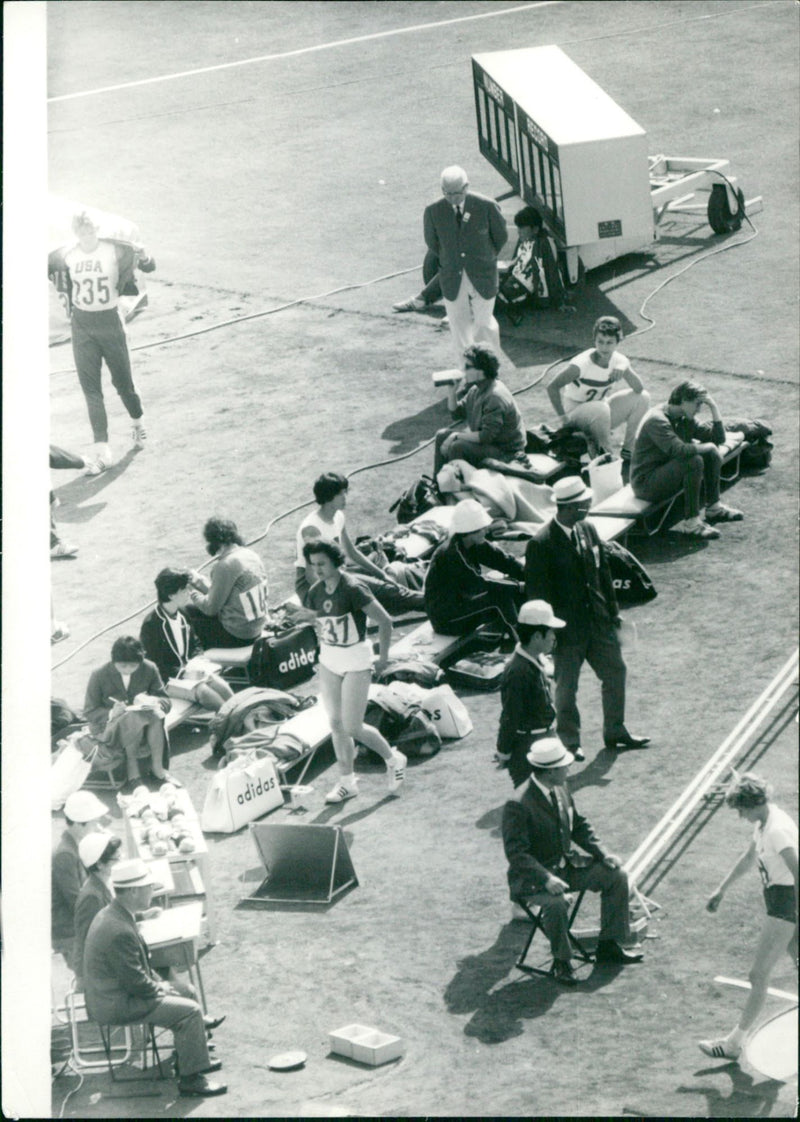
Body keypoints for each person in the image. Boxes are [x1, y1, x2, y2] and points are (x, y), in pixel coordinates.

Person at [502, 737, 644, 985]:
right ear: (550, 771)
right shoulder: (518, 804)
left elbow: (577, 825)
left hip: (566, 868)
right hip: (533, 881)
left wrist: (603, 853)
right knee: (556, 903)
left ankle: (609, 945)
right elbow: (516, 855)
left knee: (616, 876)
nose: (569, 768)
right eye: (564, 766)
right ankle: (562, 961)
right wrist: (546, 879)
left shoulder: (560, 787)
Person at [524, 477, 650, 756]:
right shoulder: (541, 544)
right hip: (566, 633)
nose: (589, 506)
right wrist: (549, 635)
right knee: (567, 689)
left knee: (616, 672)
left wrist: (613, 613)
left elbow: (603, 573)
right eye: (584, 503)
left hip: (598, 623)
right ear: (570, 508)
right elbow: (537, 596)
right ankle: (570, 742)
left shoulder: (588, 529)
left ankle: (615, 730)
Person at [83, 858, 227, 1097]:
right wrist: (159, 988)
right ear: (131, 891)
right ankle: (191, 1080)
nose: (153, 891)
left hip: (118, 994)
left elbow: (134, 970)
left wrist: (161, 986)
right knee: (190, 1011)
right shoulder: (118, 928)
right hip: (116, 1004)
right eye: (148, 887)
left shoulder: (117, 913)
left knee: (187, 990)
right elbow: (136, 982)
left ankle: (190, 1059)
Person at [287, 540, 406, 805]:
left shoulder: (353, 587)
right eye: (313, 564)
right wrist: (307, 616)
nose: (317, 569)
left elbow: (385, 620)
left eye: (322, 564)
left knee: (352, 726)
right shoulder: (317, 590)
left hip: (356, 661)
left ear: (336, 562)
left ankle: (393, 758)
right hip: (330, 660)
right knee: (336, 725)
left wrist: (383, 658)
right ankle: (346, 782)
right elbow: (326, 617)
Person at [699, 773, 798, 1061]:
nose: (740, 816)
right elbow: (748, 858)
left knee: (758, 975)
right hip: (782, 903)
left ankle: (733, 1044)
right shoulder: (764, 823)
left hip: (785, 907)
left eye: (741, 809)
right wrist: (721, 889)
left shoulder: (777, 830)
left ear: (753, 804)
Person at [61, 211, 155, 475]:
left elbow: (149, 266)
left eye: (90, 231)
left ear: (97, 230)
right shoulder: (67, 254)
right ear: (75, 233)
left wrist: (145, 255)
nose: (86, 236)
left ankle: (138, 424)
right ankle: (102, 452)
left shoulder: (113, 250)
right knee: (91, 389)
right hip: (82, 325)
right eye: (81, 232)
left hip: (110, 321)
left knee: (123, 383)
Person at [294, 473, 425, 616]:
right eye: (341, 494)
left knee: (386, 580)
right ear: (328, 497)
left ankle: (431, 600)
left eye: (345, 493)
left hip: (337, 574)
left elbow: (352, 553)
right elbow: (311, 575)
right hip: (315, 588)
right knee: (387, 591)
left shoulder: (338, 516)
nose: (345, 498)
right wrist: (334, 598)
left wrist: (381, 574)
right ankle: (435, 602)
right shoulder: (312, 529)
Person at [631, 380, 743, 540]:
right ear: (683, 401)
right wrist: (709, 446)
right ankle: (691, 523)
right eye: (697, 404)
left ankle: (714, 508)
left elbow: (718, 438)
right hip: (645, 483)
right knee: (693, 460)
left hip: (665, 473)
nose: (699, 409)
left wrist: (714, 408)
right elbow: (679, 450)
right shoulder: (656, 420)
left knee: (710, 453)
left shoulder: (683, 417)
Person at [546, 316, 650, 482]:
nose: (604, 347)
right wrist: (563, 419)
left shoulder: (619, 360)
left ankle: (628, 450)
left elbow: (639, 389)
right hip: (576, 416)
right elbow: (552, 387)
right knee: (600, 407)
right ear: (594, 340)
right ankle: (605, 459)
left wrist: (625, 368)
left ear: (618, 342)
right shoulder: (581, 364)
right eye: (600, 341)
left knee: (642, 398)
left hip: (600, 414)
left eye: (609, 342)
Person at [423, 165, 507, 362]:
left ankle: (489, 368)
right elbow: (432, 243)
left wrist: (485, 256)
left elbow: (500, 237)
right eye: (447, 193)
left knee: (483, 324)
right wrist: (450, 259)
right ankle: (466, 371)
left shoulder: (487, 206)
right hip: (452, 275)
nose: (453, 198)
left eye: (457, 193)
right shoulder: (433, 211)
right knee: (458, 325)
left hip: (483, 273)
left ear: (466, 187)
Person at [84, 635, 175, 790]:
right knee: (134, 719)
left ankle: (157, 768)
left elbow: (165, 700)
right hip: (107, 726)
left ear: (140, 661)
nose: (128, 670)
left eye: (133, 666)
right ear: (113, 662)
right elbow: (89, 711)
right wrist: (112, 712)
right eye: (122, 666)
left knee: (150, 716)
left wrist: (153, 701)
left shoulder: (149, 668)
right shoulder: (99, 674)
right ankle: (134, 773)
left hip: (143, 720)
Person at [424, 499, 524, 638]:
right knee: (500, 597)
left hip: (462, 605)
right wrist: (519, 586)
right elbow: (479, 584)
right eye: (482, 527)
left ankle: (524, 628)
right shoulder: (451, 554)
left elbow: (504, 561)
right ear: (470, 531)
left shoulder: (473, 543)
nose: (487, 530)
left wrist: (529, 573)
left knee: (510, 584)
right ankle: (522, 641)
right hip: (445, 620)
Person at [140, 569, 234, 711]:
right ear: (171, 595)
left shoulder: (183, 613)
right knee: (203, 691)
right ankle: (231, 720)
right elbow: (155, 665)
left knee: (219, 684)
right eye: (184, 590)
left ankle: (240, 712)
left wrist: (199, 660)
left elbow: (195, 643)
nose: (189, 593)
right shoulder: (151, 625)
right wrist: (184, 673)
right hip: (166, 680)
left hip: (188, 670)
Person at [496, 600, 567, 785]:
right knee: (533, 803)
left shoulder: (536, 659)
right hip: (529, 747)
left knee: (557, 794)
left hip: (546, 736)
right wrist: (503, 752)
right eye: (550, 632)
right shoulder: (518, 672)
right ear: (536, 636)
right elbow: (510, 716)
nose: (554, 636)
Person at [433, 343, 527, 476]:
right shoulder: (476, 389)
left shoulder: (495, 396)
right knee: (442, 435)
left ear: (482, 370)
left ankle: (455, 489)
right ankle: (438, 483)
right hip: (491, 445)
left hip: (506, 452)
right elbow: (457, 413)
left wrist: (455, 436)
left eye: (468, 367)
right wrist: (452, 391)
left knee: (457, 446)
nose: (462, 370)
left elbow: (485, 436)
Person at [184, 517, 269, 648]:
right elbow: (225, 593)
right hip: (257, 627)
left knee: (187, 611)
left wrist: (192, 592)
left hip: (239, 635)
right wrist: (198, 581)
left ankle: (201, 656)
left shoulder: (224, 565)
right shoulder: (249, 554)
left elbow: (210, 608)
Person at [51, 790, 108, 971]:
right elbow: (77, 903)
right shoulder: (65, 855)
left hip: (76, 925)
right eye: (94, 822)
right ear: (79, 824)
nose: (97, 826)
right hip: (70, 933)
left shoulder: (74, 847)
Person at [496, 206, 569, 324]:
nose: (518, 231)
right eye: (518, 227)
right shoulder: (524, 238)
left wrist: (559, 302)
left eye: (522, 228)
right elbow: (517, 260)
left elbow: (553, 271)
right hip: (514, 281)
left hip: (525, 287)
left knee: (493, 301)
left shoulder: (545, 243)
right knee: (488, 292)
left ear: (535, 229)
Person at [72, 831, 122, 989]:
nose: (121, 862)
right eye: (116, 859)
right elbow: (90, 942)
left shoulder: (102, 885)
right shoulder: (92, 897)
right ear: (99, 864)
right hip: (99, 976)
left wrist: (141, 916)